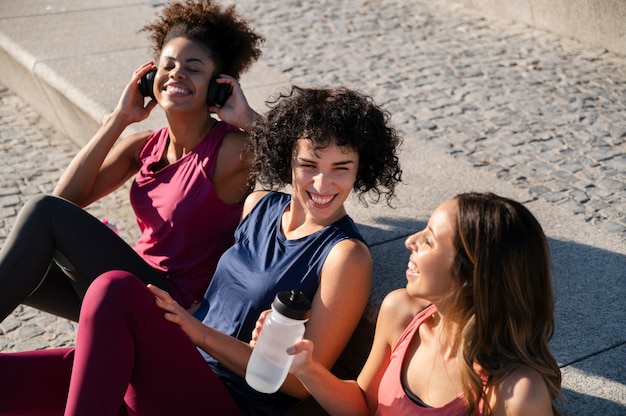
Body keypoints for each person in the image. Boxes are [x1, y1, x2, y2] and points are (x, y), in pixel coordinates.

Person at [0, 86, 403, 415]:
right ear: (288, 159)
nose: (321, 183)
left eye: (341, 169)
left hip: (224, 399)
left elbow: (298, 385)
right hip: (173, 362)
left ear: (361, 170)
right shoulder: (258, 206)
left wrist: (198, 332)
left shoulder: (345, 256)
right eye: (309, 164)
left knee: (116, 290)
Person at [0, 0, 264, 322]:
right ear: (149, 76)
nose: (177, 73)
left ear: (218, 87)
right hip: (133, 288)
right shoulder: (143, 147)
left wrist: (249, 119)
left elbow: (306, 159)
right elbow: (67, 200)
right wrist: (119, 118)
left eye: (193, 68)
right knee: (23, 269)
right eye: (168, 65)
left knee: (43, 213)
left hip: (172, 307)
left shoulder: (229, 149)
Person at [284, 192, 562, 415]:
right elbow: (364, 405)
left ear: (470, 276)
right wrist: (307, 369)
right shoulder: (400, 312)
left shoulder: (517, 393)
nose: (410, 241)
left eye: (429, 240)